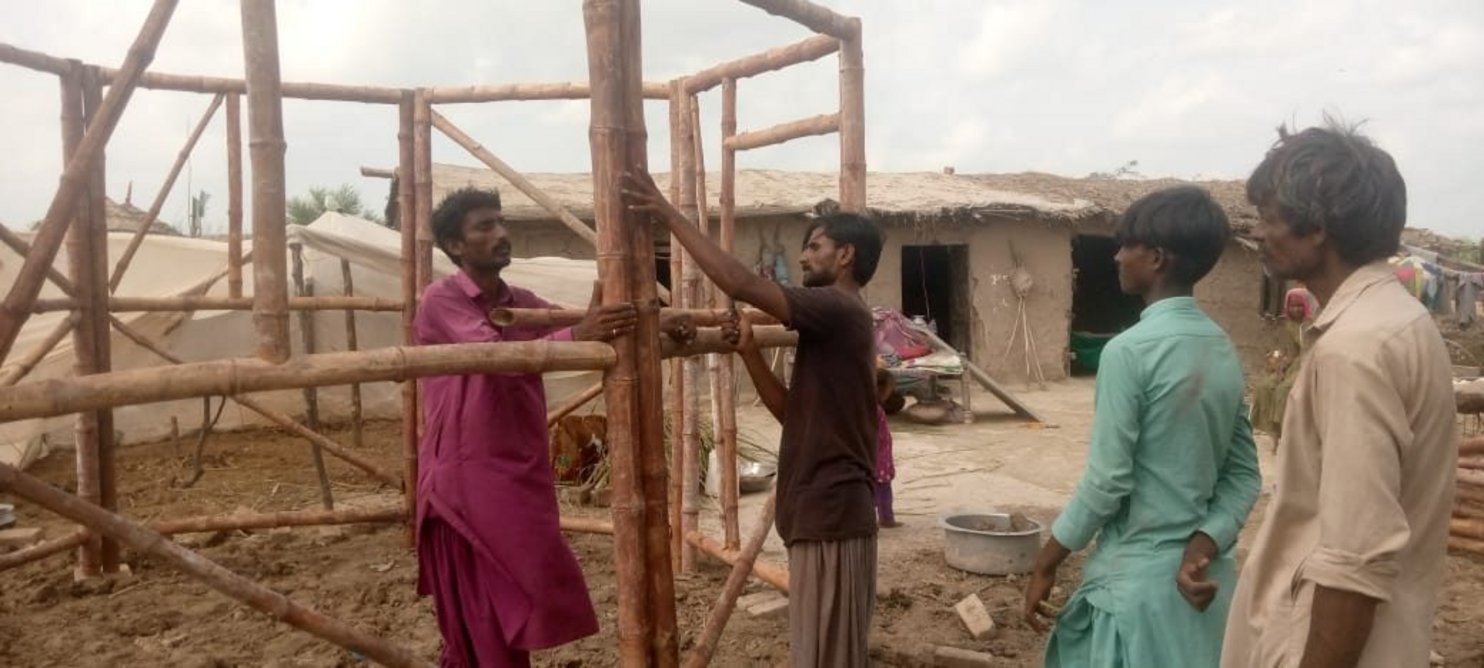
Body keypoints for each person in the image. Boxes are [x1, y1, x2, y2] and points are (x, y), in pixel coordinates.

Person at [413, 187, 690, 667]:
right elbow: (496, 355)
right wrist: (578, 334)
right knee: (482, 607)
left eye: (502, 222)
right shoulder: (443, 300)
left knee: (522, 585)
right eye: (485, 226)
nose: (501, 233)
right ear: (455, 246)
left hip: (515, 472)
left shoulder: (518, 300)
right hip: (466, 476)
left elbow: (584, 323)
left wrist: (660, 321)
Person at [623, 169, 883, 667]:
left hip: (831, 518)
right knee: (823, 654)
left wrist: (664, 212)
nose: (803, 257)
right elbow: (793, 414)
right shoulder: (833, 322)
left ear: (845, 256)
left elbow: (740, 282)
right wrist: (749, 354)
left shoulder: (838, 307)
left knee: (827, 658)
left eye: (815, 246)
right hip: (819, 518)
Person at [1222, 121, 1457, 668]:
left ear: (1318, 226)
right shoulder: (1401, 320)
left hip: (1320, 642)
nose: (1260, 234)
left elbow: (1355, 558)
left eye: (1270, 218)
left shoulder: (1356, 349)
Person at [1022, 186, 1261, 667]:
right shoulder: (1221, 348)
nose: (1116, 256)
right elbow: (1244, 476)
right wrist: (1204, 541)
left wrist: (1046, 562)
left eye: (1126, 245)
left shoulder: (1128, 352)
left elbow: (1108, 481)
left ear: (1155, 258)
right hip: (1203, 592)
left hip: (1135, 593)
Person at [874, 368, 902, 529]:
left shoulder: (871, 408)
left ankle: (882, 518)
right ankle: (886, 519)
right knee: (883, 490)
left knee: (873, 490)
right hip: (879, 458)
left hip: (876, 457)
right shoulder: (875, 410)